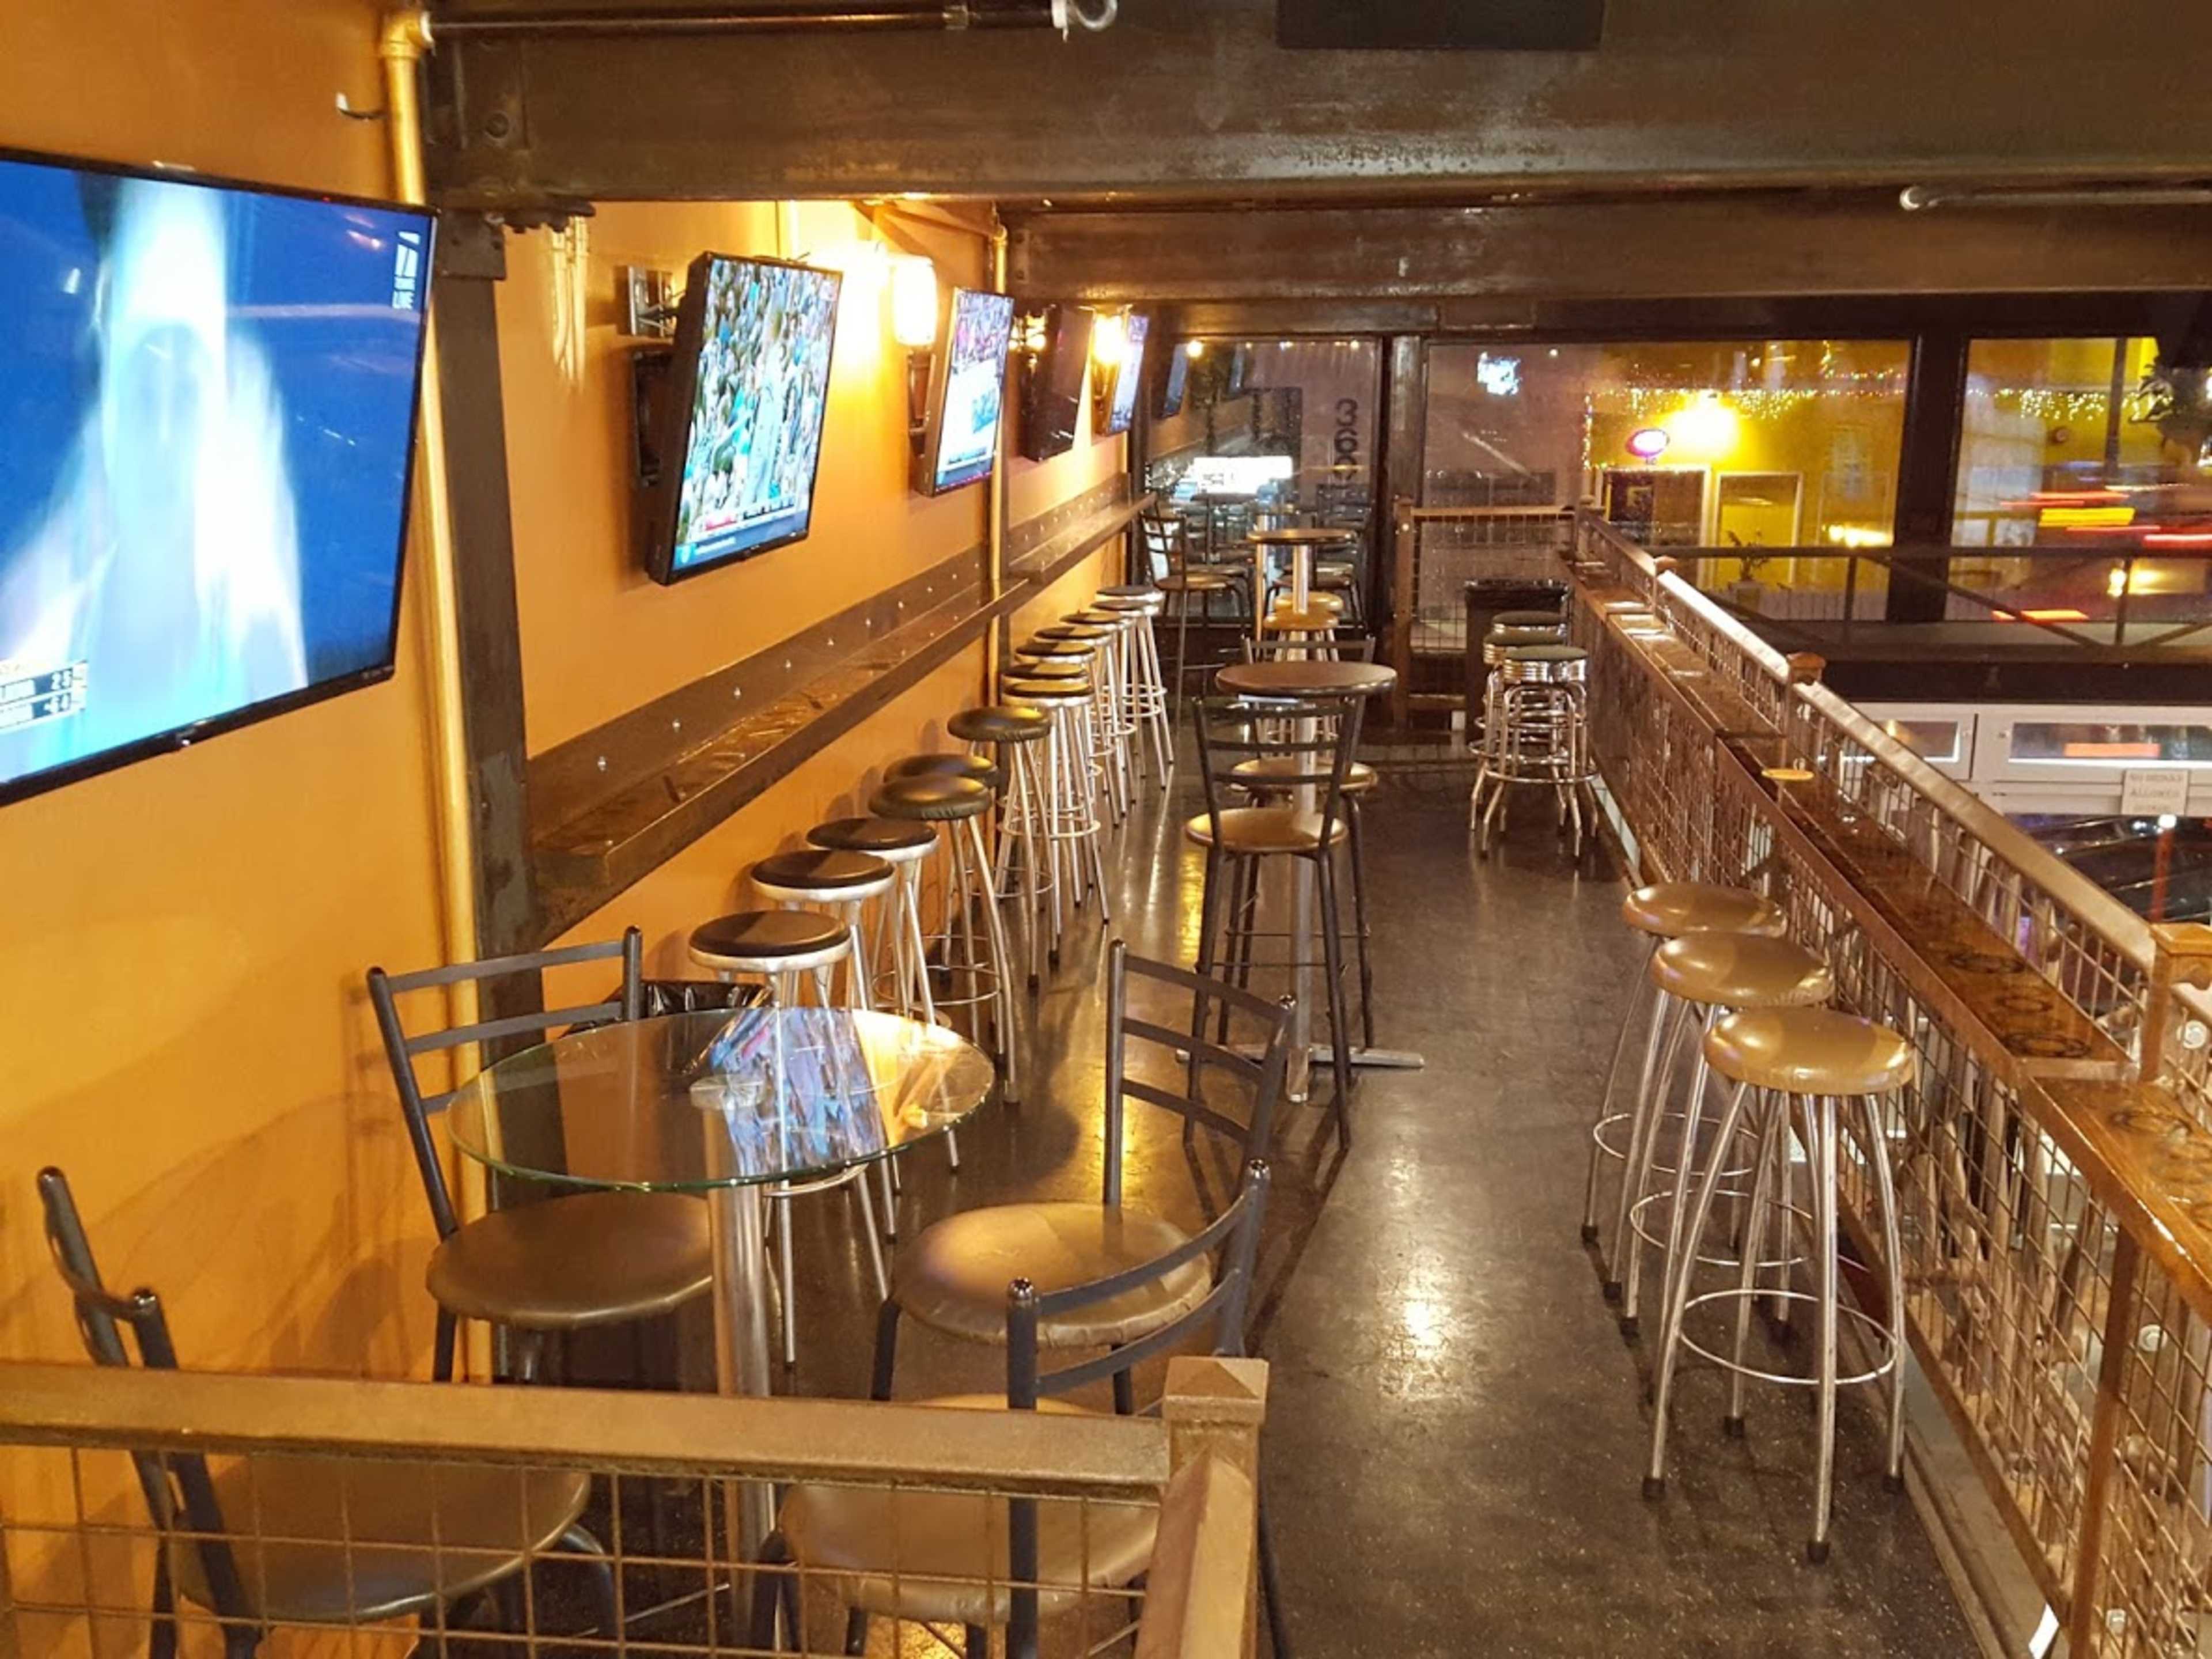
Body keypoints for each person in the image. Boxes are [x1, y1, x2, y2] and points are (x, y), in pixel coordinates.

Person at [0, 176, 306, 779]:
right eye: (143, 389)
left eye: (187, 393)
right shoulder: (32, 638)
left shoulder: (258, 636)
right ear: (110, 409)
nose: (164, 435)